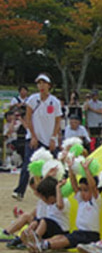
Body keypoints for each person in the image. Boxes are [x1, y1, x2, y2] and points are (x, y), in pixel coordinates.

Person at [24, 160, 102, 253]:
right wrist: (70, 169)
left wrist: (86, 170)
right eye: (81, 190)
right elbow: (74, 185)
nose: (82, 193)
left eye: (85, 190)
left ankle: (44, 245)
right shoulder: (81, 201)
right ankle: (41, 243)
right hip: (79, 232)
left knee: (65, 241)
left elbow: (92, 186)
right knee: (60, 237)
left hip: (90, 235)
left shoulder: (94, 202)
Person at [12, 73, 63, 201]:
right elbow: (28, 118)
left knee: (56, 166)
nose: (41, 86)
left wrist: (53, 138)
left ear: (49, 85)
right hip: (34, 137)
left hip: (49, 139)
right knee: (27, 165)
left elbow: (58, 122)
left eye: (43, 83)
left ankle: (58, 191)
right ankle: (20, 191)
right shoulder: (33, 99)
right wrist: (33, 136)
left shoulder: (55, 102)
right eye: (39, 83)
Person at [18, 176, 70, 251]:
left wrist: (58, 188)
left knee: (43, 221)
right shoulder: (49, 204)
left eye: (43, 198)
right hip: (49, 229)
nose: (42, 200)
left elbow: (60, 206)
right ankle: (28, 236)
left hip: (61, 230)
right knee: (36, 222)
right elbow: (38, 191)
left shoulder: (63, 201)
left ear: (51, 197)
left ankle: (36, 239)